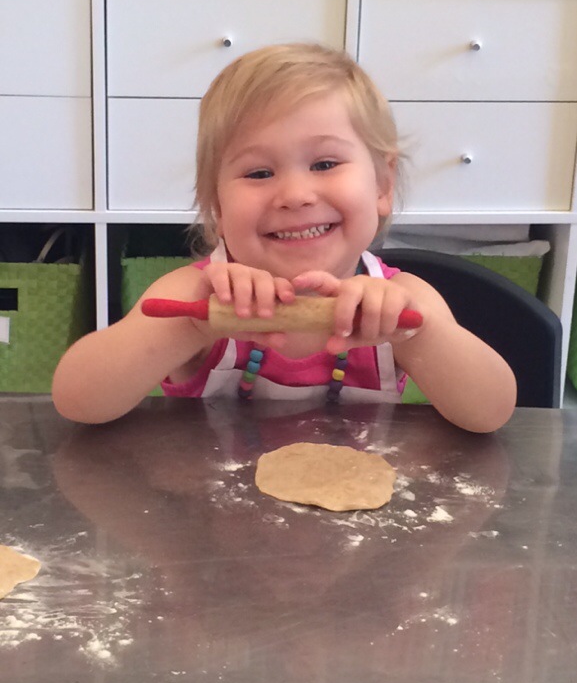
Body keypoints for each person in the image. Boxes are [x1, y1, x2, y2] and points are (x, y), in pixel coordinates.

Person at [52, 43, 516, 431]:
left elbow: (490, 413)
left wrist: (416, 337)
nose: (295, 195)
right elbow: (78, 400)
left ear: (382, 184)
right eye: (258, 172)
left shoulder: (405, 302)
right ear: (217, 205)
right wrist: (192, 328)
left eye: (325, 164)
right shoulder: (194, 297)